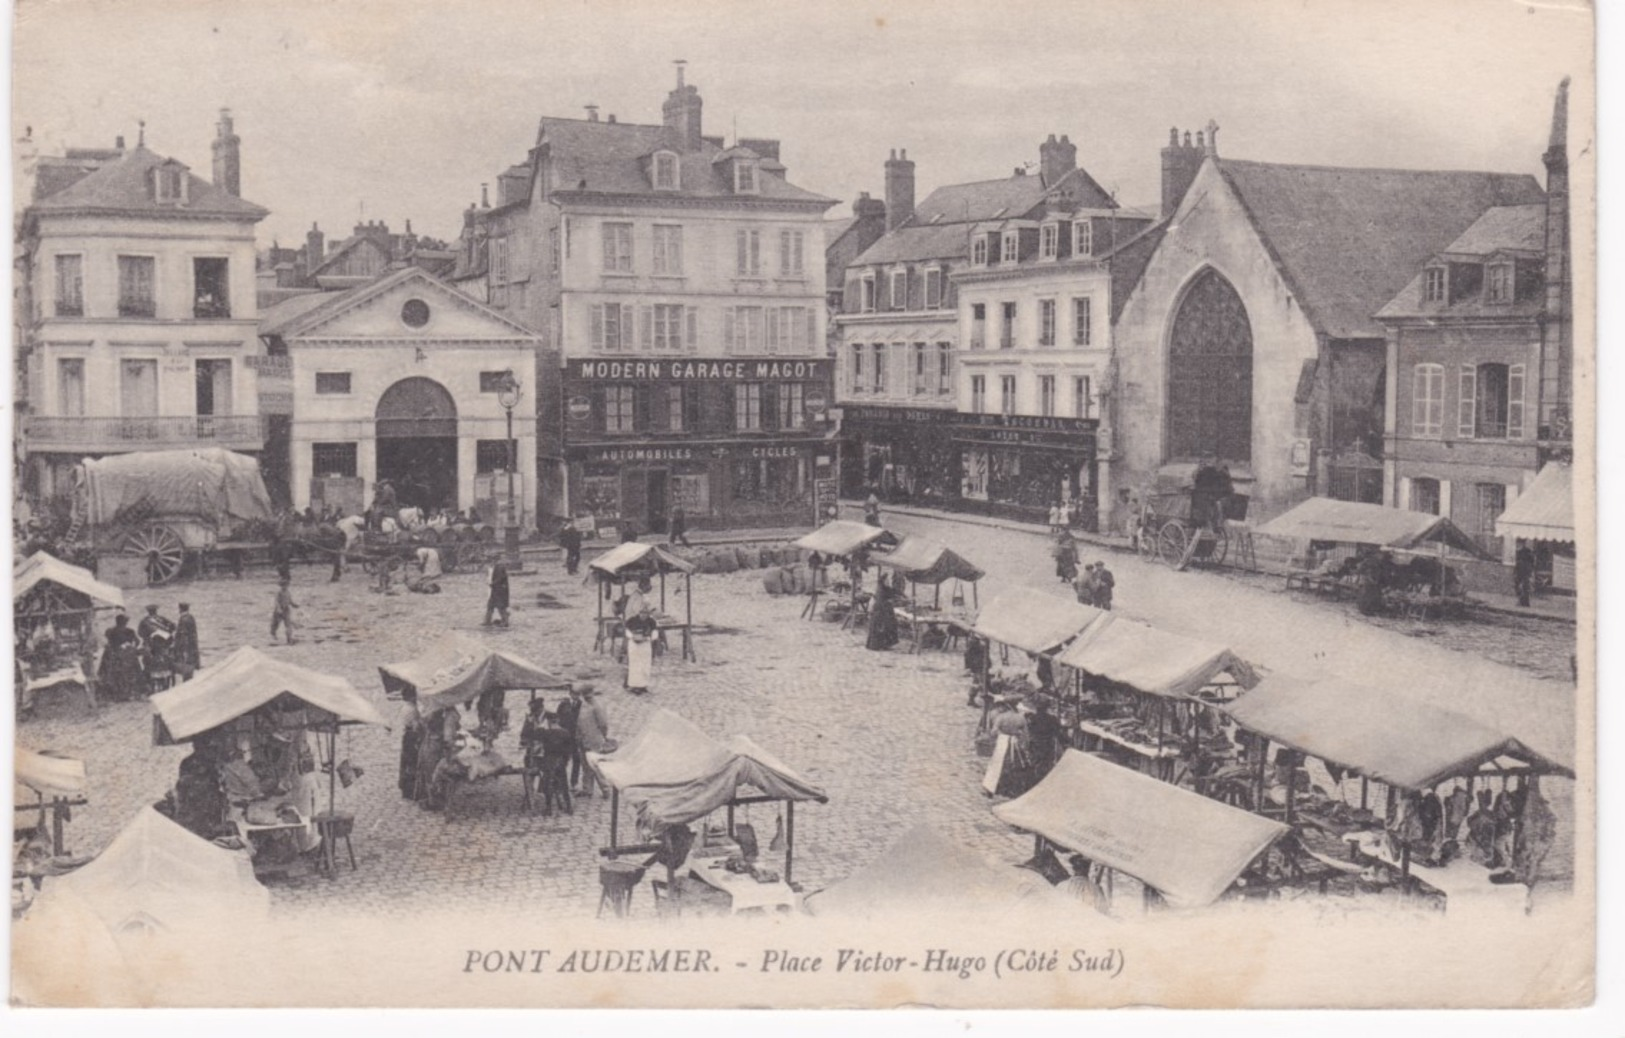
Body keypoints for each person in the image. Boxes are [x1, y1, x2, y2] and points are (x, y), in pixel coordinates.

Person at [574, 685, 612, 797]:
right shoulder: (583, 705)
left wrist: (603, 736)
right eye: (584, 694)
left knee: (595, 764)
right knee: (585, 765)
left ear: (592, 693)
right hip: (583, 738)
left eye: (588, 694)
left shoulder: (597, 706)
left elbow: (603, 724)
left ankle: (605, 789)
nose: (586, 696)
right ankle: (587, 789)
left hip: (594, 739)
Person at [536, 710, 575, 816]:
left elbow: (534, 733)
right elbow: (569, 750)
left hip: (549, 760)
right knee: (564, 784)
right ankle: (569, 807)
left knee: (548, 784)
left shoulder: (546, 733)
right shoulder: (565, 733)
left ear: (548, 721)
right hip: (561, 760)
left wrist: (539, 721)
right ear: (558, 720)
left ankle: (548, 808)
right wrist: (565, 761)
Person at [99, 613, 145, 701]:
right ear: (125, 622)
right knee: (131, 673)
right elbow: (137, 641)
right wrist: (132, 648)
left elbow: (107, 642)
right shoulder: (129, 631)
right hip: (127, 655)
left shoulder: (110, 630)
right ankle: (131, 692)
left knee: (114, 674)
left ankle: (116, 694)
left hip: (114, 655)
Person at [556, 684, 584, 792]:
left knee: (577, 760)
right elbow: (557, 717)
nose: (576, 696)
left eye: (578, 694)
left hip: (575, 737)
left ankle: (574, 782)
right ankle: (560, 782)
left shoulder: (582, 705)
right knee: (563, 759)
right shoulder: (563, 704)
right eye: (574, 694)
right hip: (564, 737)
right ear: (570, 693)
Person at [1027, 699, 1063, 779]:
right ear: (1046, 708)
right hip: (1048, 742)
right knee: (1047, 760)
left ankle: (1036, 775)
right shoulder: (1052, 718)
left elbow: (1029, 730)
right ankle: (1046, 776)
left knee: (1037, 759)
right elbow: (1057, 730)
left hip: (1036, 742)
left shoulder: (1032, 718)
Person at [624, 607, 656, 695]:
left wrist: (648, 638)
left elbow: (654, 632)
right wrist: (632, 637)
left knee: (645, 665)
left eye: (645, 613)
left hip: (645, 645)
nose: (643, 615)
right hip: (634, 645)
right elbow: (627, 631)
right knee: (635, 665)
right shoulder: (632, 620)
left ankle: (643, 685)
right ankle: (634, 685)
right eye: (642, 613)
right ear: (639, 613)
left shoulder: (651, 621)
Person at [865, 571, 899, 651]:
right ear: (883, 581)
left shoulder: (886, 588)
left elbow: (893, 592)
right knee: (881, 627)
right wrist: (889, 602)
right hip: (879, 612)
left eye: (888, 581)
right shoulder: (880, 590)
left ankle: (885, 644)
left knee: (889, 626)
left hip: (885, 610)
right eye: (886, 581)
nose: (888, 582)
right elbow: (880, 602)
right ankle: (877, 645)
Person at [173, 602, 200, 680]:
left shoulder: (183, 619)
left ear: (180, 609)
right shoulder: (191, 617)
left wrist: (178, 647)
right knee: (190, 665)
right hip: (192, 645)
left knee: (185, 665)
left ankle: (186, 681)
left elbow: (182, 635)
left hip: (185, 646)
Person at [270, 577, 298, 645]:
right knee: (275, 624)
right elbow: (276, 601)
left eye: (286, 585)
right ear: (280, 585)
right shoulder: (279, 592)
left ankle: (289, 639)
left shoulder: (288, 592)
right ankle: (273, 633)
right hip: (279, 611)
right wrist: (279, 608)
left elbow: (290, 600)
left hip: (286, 610)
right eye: (283, 585)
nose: (285, 586)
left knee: (288, 625)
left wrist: (294, 605)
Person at [483, 560, 510, 627]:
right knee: (490, 605)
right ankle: (487, 620)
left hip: (499, 590)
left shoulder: (499, 568)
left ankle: (505, 621)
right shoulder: (495, 567)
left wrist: (492, 583)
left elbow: (500, 578)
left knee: (500, 606)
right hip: (496, 589)